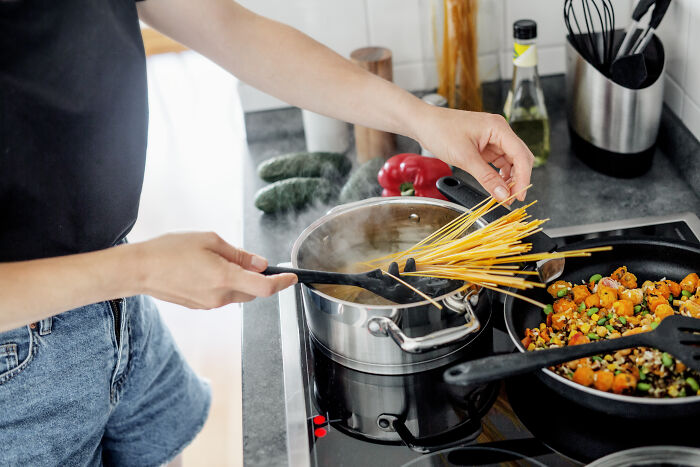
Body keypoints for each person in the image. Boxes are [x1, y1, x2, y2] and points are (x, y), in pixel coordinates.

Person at [0, 0, 534, 465]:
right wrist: (140, 269)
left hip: (116, 303)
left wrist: (422, 120)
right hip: (18, 373)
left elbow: (231, 29)